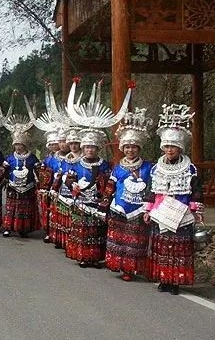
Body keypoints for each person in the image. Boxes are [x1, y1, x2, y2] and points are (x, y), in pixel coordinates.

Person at [144, 104, 203, 295]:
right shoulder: (156, 168)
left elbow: (196, 191)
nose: (170, 150)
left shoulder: (190, 169)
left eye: (173, 147)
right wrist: (147, 209)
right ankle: (163, 278)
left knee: (178, 250)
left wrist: (196, 210)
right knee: (161, 248)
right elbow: (151, 190)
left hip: (181, 213)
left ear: (180, 148)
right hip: (161, 213)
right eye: (167, 146)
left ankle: (175, 281)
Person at [104, 109, 154, 281]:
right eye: (127, 147)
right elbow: (110, 187)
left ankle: (133, 268)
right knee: (119, 239)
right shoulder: (117, 167)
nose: (130, 150)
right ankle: (120, 266)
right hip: (119, 207)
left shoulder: (149, 167)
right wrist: (105, 202)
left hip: (138, 209)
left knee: (136, 240)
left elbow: (152, 188)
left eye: (133, 147)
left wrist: (149, 207)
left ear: (139, 148)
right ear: (122, 148)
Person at [67, 129, 112, 268]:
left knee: (97, 230)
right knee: (83, 231)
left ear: (97, 148)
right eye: (87, 147)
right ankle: (83, 257)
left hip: (97, 203)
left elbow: (110, 183)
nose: (90, 150)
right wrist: (72, 184)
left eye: (92, 147)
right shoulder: (77, 163)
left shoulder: (105, 165)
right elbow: (69, 178)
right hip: (81, 202)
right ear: (83, 148)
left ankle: (96, 258)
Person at [1, 127, 39, 237]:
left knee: (25, 209)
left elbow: (38, 172)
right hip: (13, 187)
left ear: (25, 145)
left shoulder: (32, 158)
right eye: (16, 145)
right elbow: (4, 172)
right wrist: (3, 179)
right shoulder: (10, 158)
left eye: (20, 145)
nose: (18, 147)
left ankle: (24, 229)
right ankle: (8, 228)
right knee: (11, 209)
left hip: (28, 188)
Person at [50, 128, 82, 250]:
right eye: (71, 143)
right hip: (63, 191)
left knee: (73, 219)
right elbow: (60, 174)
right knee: (62, 217)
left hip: (77, 192)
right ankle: (61, 241)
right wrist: (54, 187)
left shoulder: (83, 159)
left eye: (76, 143)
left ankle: (72, 243)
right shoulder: (66, 159)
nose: (73, 146)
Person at [35, 129, 67, 243]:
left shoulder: (71, 159)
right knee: (52, 212)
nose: (62, 144)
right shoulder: (50, 159)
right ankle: (50, 233)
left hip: (66, 190)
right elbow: (44, 175)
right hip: (53, 189)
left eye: (65, 141)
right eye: (61, 141)